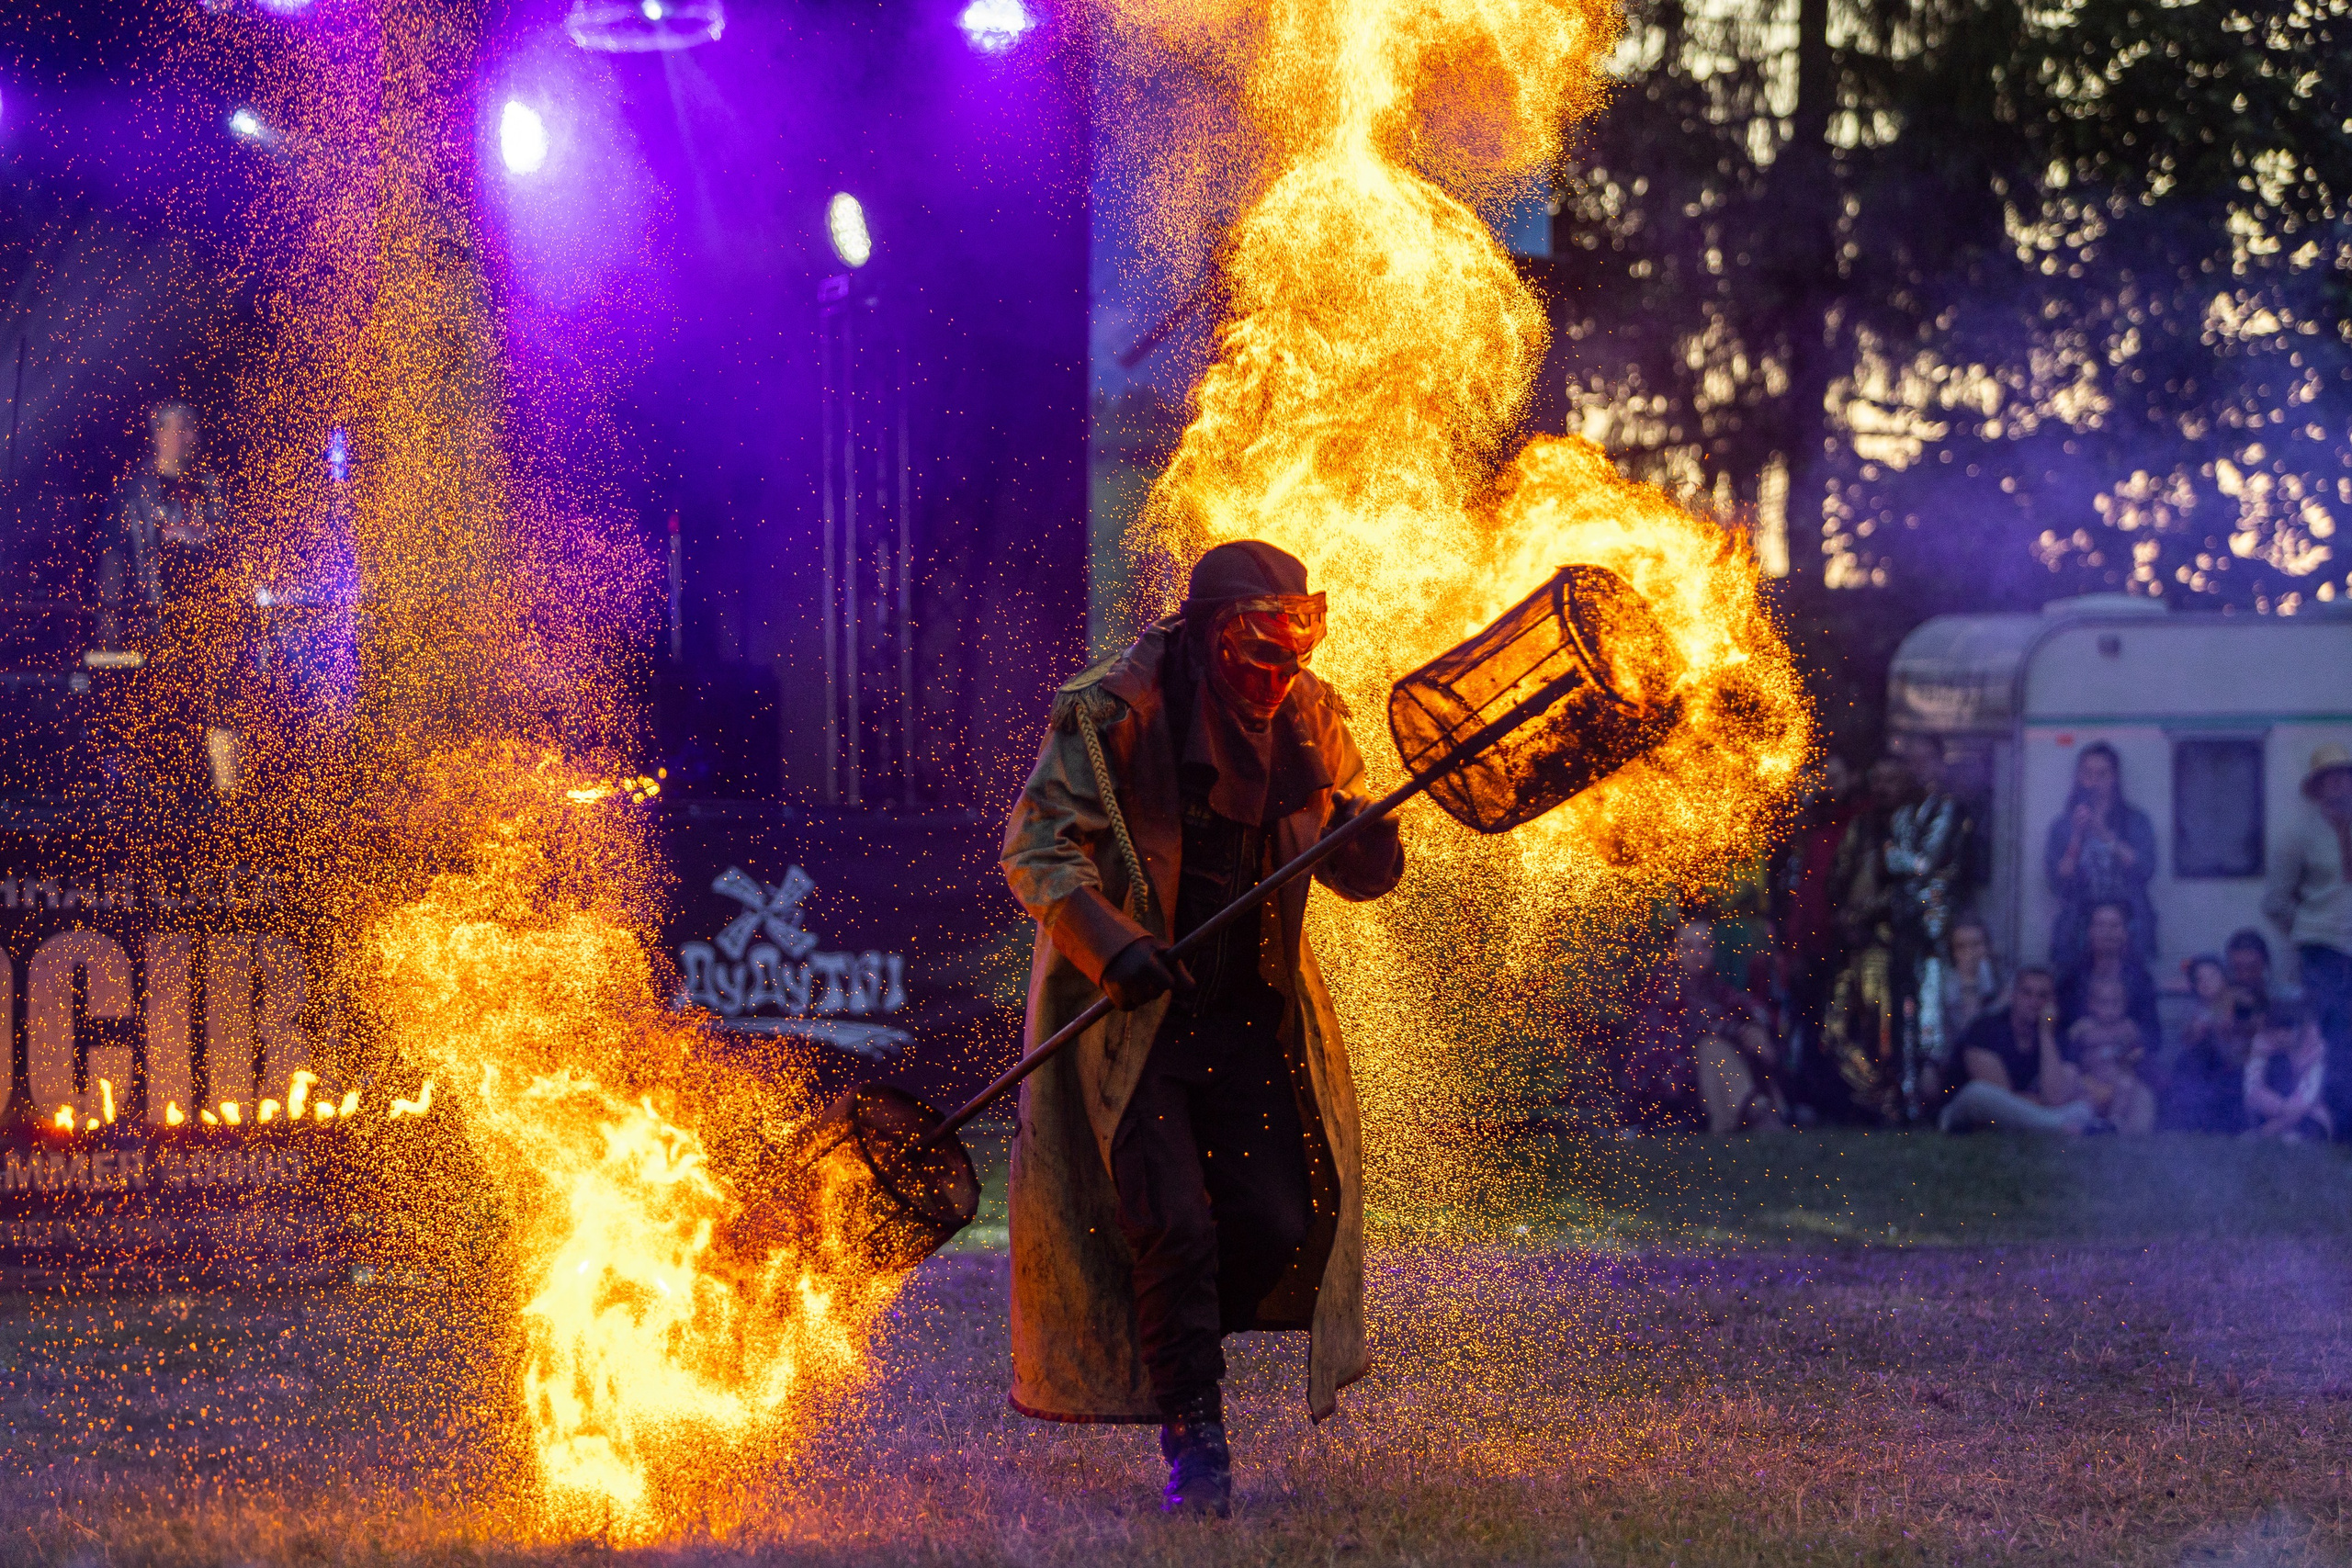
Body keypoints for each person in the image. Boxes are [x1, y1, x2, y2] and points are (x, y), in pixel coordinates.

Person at [1000, 541, 1405, 1517]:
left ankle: (1170, 1336)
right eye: (1256, 661)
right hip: (1137, 1030)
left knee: (1273, 1222)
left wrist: (1372, 842)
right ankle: (1196, 1439)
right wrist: (1114, 945)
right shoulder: (1111, 711)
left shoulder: (1312, 714)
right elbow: (1035, 849)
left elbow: (1352, 864)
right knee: (1173, 1225)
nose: (1276, 682)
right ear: (1209, 637)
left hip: (1250, 1021)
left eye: (1290, 660)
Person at [98, 400, 243, 797]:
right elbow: (113, 556)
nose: (193, 437)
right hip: (150, 620)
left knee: (216, 709)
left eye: (193, 429)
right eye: (184, 429)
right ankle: (137, 806)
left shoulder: (210, 486)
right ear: (160, 433)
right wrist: (108, 620)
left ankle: (228, 808)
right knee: (146, 709)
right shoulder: (131, 492)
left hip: (204, 625)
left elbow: (228, 549)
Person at [1825, 741, 1972, 1122]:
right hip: (1877, 939)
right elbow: (1845, 877)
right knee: (1852, 1026)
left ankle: (1922, 1101)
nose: (1887, 787)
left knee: (1925, 1016)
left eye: (1897, 777)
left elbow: (1922, 862)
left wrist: (1904, 865)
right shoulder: (1876, 822)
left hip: (1921, 934)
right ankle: (1890, 1101)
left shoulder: (1947, 810)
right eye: (1881, 780)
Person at [1617, 917, 1788, 1134]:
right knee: (1712, 1047)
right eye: (1687, 946)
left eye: (1705, 946)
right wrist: (1743, 1031)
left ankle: (1749, 1116)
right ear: (1673, 950)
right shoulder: (1664, 986)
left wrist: (1755, 1026)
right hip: (1663, 1089)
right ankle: (1757, 1110)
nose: (1697, 953)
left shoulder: (1710, 986)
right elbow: (1699, 1021)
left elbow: (1748, 1006)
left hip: (1698, 1082)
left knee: (1731, 1043)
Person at [2264, 743, 2352, 1136]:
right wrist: (2307, 934)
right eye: (2329, 779)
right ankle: (2338, 1125)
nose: (2339, 785)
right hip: (2324, 951)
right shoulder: (2298, 834)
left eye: (2344, 776)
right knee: (2333, 1036)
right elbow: (2276, 902)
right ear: (2316, 788)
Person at [2043, 742, 2159, 971]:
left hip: (2130, 928)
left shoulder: (2136, 821)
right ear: (2078, 777)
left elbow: (2145, 870)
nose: (2094, 780)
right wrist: (2077, 835)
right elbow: (2057, 882)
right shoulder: (2062, 826)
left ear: (2114, 777)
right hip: (2077, 930)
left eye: (2102, 773)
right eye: (2088, 773)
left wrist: (2104, 834)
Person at [1937, 967, 2096, 1134]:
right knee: (1978, 1092)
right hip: (1962, 1111)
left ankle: (2051, 1124)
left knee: (2083, 1106)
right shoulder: (1985, 1028)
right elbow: (2001, 1098)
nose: (2034, 1001)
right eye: (2027, 993)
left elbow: (2055, 1097)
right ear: (2013, 996)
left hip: (2025, 1114)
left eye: (2042, 995)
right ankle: (2056, 1126)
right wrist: (2041, 1101)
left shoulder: (2055, 1034)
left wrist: (2045, 1033)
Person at [2164, 952, 2255, 1132]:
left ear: (2224, 977)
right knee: (2188, 1064)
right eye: (2200, 979)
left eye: (2212, 976)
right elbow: (2187, 1041)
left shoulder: (2238, 999)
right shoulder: (2195, 1009)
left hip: (2238, 1063)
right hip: (2206, 1067)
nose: (2206, 982)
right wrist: (2197, 1031)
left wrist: (2231, 1025)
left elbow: (2249, 1028)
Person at [2060, 974, 2157, 1134]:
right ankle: (2085, 1123)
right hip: (2090, 1079)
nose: (2110, 1010)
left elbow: (2138, 1048)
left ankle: (2114, 1122)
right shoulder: (2085, 1026)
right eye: (2104, 1003)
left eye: (2115, 1003)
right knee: (2072, 1079)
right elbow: (2067, 1046)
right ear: (2092, 1004)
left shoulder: (2127, 1027)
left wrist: (2134, 1055)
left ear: (2124, 1004)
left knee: (2127, 1082)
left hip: (2116, 1079)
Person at [2056, 901, 2161, 1045]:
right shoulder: (2071, 980)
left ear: (2125, 933)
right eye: (2100, 925)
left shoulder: (2140, 980)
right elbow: (2057, 1031)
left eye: (2114, 926)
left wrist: (2130, 1035)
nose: (2108, 932)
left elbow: (2154, 1036)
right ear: (2089, 931)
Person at [2242, 1000, 2331, 1142]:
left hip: (2305, 1114)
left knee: (2312, 1123)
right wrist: (2281, 1107)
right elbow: (2252, 1087)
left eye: (2288, 1029)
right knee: (2278, 1063)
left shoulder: (2315, 1049)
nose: (2282, 1035)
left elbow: (2308, 1095)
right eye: (2277, 1030)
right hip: (2269, 1110)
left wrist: (2264, 1133)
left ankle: (2281, 1134)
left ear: (2299, 1028)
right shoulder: (2261, 1045)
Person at [1939, 919, 2001, 1043]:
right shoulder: (1949, 988)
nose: (1970, 953)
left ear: (1987, 947)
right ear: (1953, 952)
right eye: (1961, 947)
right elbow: (1968, 1034)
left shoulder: (2005, 983)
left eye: (1976, 944)